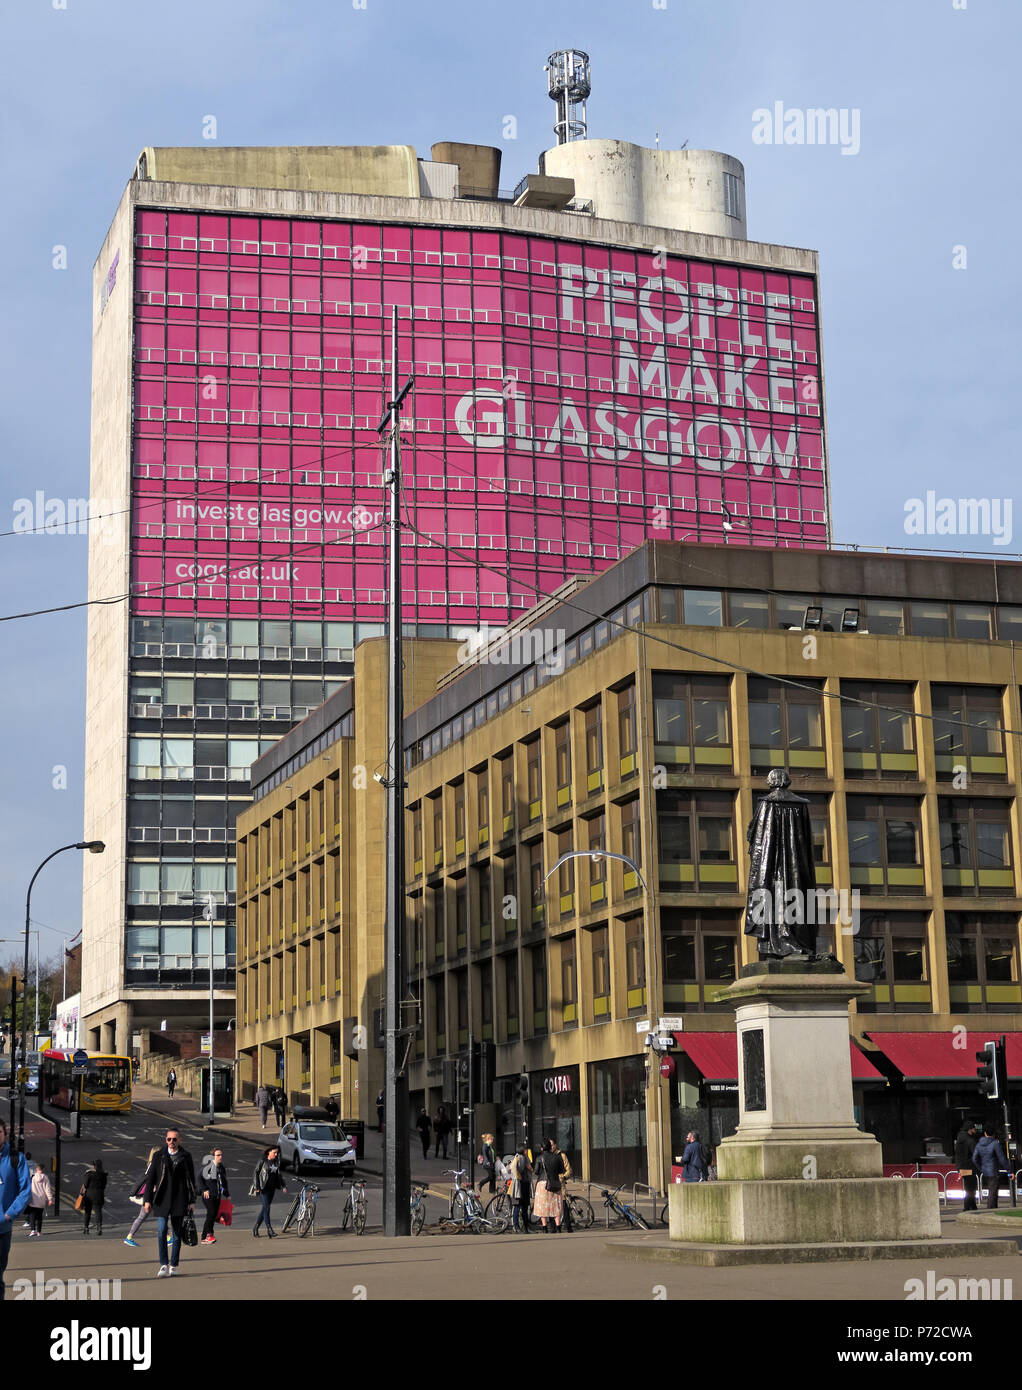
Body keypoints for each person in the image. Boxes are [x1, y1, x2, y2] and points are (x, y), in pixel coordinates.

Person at [143, 1127, 197, 1277]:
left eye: (174, 1139)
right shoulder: (159, 1156)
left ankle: (173, 1265)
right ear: (165, 1140)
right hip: (162, 1199)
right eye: (169, 1139)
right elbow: (151, 1179)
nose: (171, 1142)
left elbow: (191, 1180)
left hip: (179, 1199)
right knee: (161, 1232)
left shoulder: (186, 1156)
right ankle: (163, 1265)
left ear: (180, 1140)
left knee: (177, 1234)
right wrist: (147, 1200)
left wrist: (192, 1200)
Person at [0, 1120, 31, 1300]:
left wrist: (9, 1214)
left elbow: (25, 1190)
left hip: (2, 1228)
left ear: (4, 1134)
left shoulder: (15, 1158)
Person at [125, 1146, 160, 1247]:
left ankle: (129, 1237)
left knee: (144, 1217)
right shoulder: (155, 1165)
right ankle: (167, 1238)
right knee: (161, 1215)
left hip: (150, 1195)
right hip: (151, 1195)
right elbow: (151, 1179)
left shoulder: (151, 1164)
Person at [532, 1138, 566, 1232]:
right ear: (550, 1147)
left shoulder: (539, 1158)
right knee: (556, 1205)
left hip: (542, 1184)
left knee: (543, 1206)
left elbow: (536, 1172)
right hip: (555, 1182)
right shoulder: (557, 1157)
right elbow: (561, 1170)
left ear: (542, 1148)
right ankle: (558, 1227)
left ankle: (544, 1228)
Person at [252, 1146, 286, 1237]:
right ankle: (269, 1229)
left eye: (277, 1153)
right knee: (267, 1208)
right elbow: (256, 1172)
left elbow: (279, 1175)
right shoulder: (262, 1160)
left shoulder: (276, 1161)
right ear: (269, 1152)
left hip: (272, 1188)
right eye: (274, 1152)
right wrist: (257, 1186)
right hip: (263, 1188)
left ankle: (255, 1228)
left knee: (264, 1209)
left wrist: (283, 1185)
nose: (276, 1154)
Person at [973, 1125, 1010, 1210]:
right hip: (993, 1170)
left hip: (985, 1171)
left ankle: (993, 1208)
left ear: (985, 1133)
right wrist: (1009, 1170)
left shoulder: (979, 1144)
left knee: (992, 1190)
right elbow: (1002, 1158)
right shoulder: (994, 1144)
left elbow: (974, 1158)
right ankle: (990, 1209)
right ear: (993, 1134)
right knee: (993, 1192)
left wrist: (980, 1168)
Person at [201, 1147, 230, 1244]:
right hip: (208, 1196)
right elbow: (199, 1178)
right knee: (211, 1213)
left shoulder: (221, 1167)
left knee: (212, 1215)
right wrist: (204, 1189)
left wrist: (227, 1194)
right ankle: (209, 1234)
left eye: (221, 1155)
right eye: (218, 1155)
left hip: (217, 1195)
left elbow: (223, 1182)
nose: (220, 1157)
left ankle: (204, 1237)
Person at [954, 1122, 980, 1212]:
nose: (975, 1130)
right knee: (971, 1188)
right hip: (969, 1167)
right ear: (970, 1129)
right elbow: (976, 1155)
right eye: (974, 1128)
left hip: (961, 1166)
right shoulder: (970, 1140)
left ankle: (973, 1206)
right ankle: (967, 1206)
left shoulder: (960, 1139)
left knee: (968, 1186)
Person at [551, 1140, 574, 1231]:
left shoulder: (562, 1155)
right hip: (551, 1183)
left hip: (560, 1183)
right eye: (550, 1145)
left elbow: (569, 1170)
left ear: (556, 1145)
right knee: (552, 1206)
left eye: (552, 1145)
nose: (551, 1147)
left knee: (563, 1205)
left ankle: (568, 1227)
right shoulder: (547, 1155)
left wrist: (563, 1177)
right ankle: (554, 1227)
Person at [81, 1159, 107, 1236]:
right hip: (99, 1194)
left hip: (89, 1195)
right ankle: (99, 1228)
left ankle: (86, 1228)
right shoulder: (103, 1174)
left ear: (94, 1166)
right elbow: (104, 1186)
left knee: (87, 1212)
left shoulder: (89, 1174)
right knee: (98, 1211)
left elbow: (85, 1184)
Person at [509, 1145, 532, 1233]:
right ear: (522, 1150)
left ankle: (525, 1227)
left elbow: (529, 1169)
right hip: (519, 1185)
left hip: (524, 1184)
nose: (527, 1151)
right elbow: (512, 1167)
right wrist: (518, 1176)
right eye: (526, 1150)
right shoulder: (518, 1157)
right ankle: (516, 1226)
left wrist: (530, 1169)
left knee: (524, 1207)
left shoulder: (525, 1158)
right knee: (517, 1206)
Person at [26, 1162, 53, 1237]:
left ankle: (32, 1231)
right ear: (43, 1169)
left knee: (32, 1216)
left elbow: (28, 1188)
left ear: (36, 1169)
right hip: (41, 1200)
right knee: (39, 1217)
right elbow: (47, 1189)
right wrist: (50, 1199)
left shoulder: (33, 1177)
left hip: (33, 1199)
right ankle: (39, 1232)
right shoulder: (46, 1177)